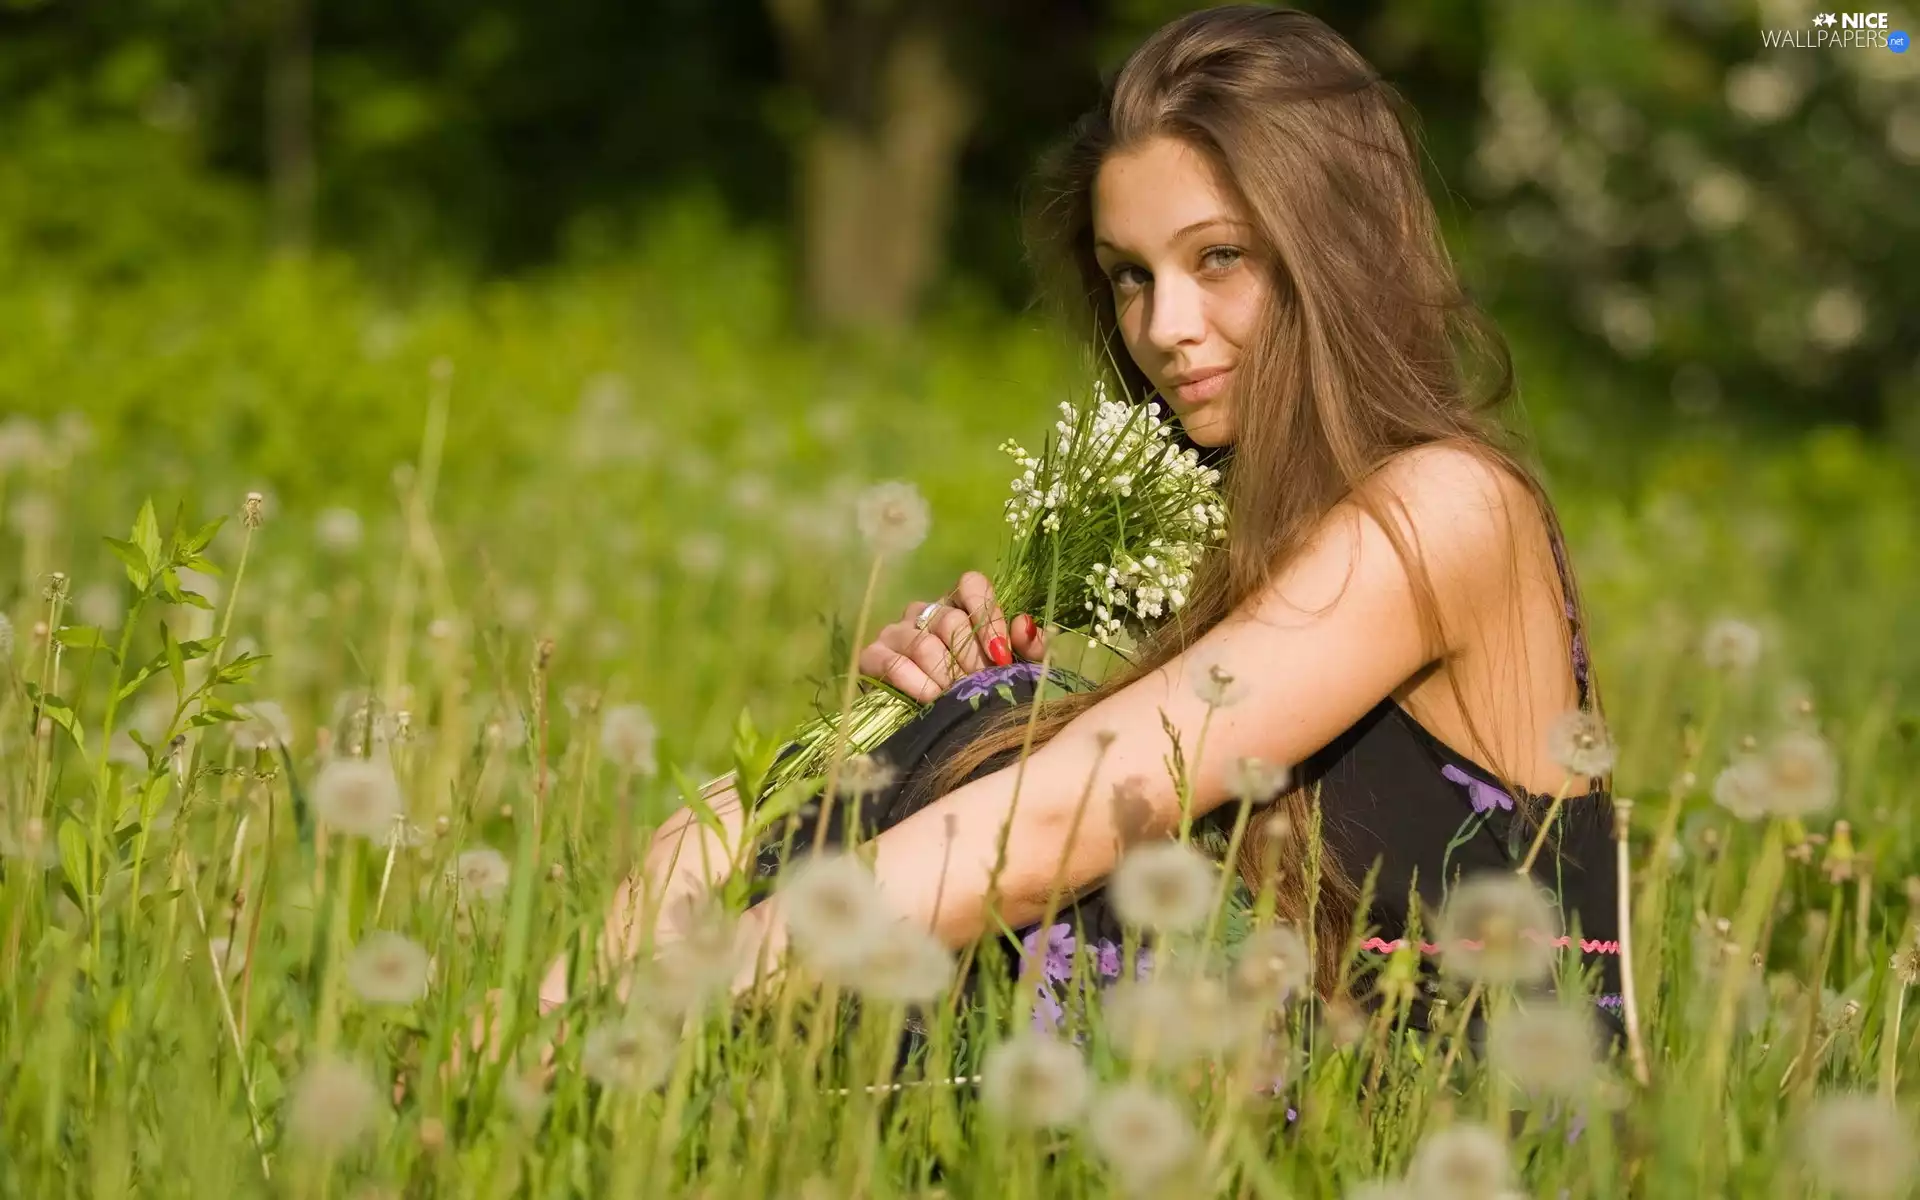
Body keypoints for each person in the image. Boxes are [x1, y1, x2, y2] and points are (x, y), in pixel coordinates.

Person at [540, 4, 1620, 1033]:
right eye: (1128, 277)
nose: (1166, 327)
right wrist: (912, 730)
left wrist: (669, 995)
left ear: (1348, 247)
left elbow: (1062, 822)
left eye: (1220, 257)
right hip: (1275, 1095)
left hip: (1454, 1122)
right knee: (887, 763)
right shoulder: (1243, 535)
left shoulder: (1448, 508)